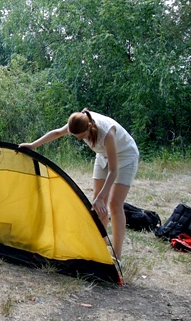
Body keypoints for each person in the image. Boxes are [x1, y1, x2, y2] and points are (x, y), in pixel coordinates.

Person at [18, 108, 139, 261]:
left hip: (125, 157)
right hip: (103, 156)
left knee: (115, 204)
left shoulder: (107, 133)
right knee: (97, 204)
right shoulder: (78, 121)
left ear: (90, 127)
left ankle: (117, 256)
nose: (80, 140)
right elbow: (57, 133)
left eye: (82, 137)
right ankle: (101, 247)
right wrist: (33, 145)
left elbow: (113, 171)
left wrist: (102, 196)